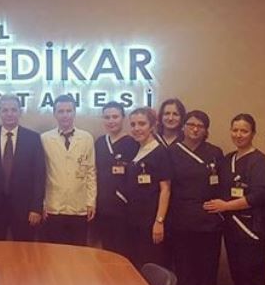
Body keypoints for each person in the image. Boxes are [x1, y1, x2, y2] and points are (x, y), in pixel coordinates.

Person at [204, 113, 265, 285]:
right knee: (239, 275)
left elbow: (260, 195)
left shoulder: (259, 161)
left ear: (253, 133)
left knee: (252, 277)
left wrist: (226, 206)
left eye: (244, 131)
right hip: (231, 229)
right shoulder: (228, 159)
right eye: (235, 130)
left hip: (251, 228)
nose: (239, 135)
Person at [168, 110, 224, 285]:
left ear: (206, 130)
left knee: (208, 269)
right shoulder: (172, 152)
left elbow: (223, 184)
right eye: (191, 124)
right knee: (185, 269)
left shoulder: (215, 152)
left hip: (209, 221)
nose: (195, 129)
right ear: (183, 127)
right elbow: (167, 187)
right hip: (181, 221)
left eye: (200, 126)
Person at [0, 94, 46, 241]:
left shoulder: (32, 138)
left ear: (20, 112)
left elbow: (39, 175)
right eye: (5, 110)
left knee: (24, 251)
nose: (9, 114)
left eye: (13, 110)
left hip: (25, 209)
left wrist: (36, 207)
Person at [41, 94, 97, 246]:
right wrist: (42, 203)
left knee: (78, 251)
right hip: (54, 206)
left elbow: (91, 171)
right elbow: (41, 174)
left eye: (68, 111)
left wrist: (91, 202)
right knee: (54, 252)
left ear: (74, 112)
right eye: (61, 111)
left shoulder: (86, 138)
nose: (65, 115)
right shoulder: (45, 139)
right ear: (54, 114)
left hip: (79, 206)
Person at [120, 107, 172, 268]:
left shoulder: (160, 152)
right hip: (134, 219)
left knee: (149, 264)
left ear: (152, 126)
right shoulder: (136, 150)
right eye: (133, 124)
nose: (137, 128)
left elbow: (166, 190)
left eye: (142, 124)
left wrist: (159, 221)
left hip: (151, 221)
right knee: (135, 264)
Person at [94, 102, 139, 256]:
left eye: (115, 116)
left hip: (124, 208)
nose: (111, 121)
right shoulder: (100, 142)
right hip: (102, 206)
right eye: (107, 117)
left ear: (123, 118)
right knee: (106, 251)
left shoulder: (133, 143)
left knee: (124, 252)